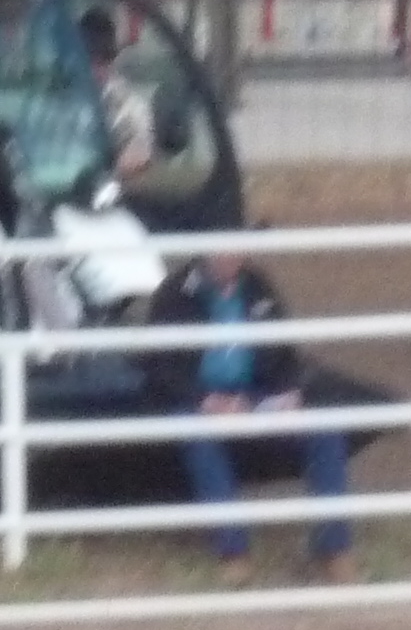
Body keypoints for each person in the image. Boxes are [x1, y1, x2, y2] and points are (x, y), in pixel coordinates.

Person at [151, 246, 358, 584]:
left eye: (238, 250)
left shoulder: (258, 285)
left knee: (324, 433)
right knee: (198, 438)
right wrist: (205, 399)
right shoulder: (175, 293)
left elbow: (285, 352)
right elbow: (162, 366)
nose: (233, 257)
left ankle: (334, 547)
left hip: (258, 394)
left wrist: (288, 391)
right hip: (201, 397)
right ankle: (234, 551)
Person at [81, 6, 158, 183]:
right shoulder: (54, 100)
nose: (95, 70)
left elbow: (141, 154)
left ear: (112, 59)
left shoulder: (130, 106)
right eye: (88, 60)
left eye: (103, 60)